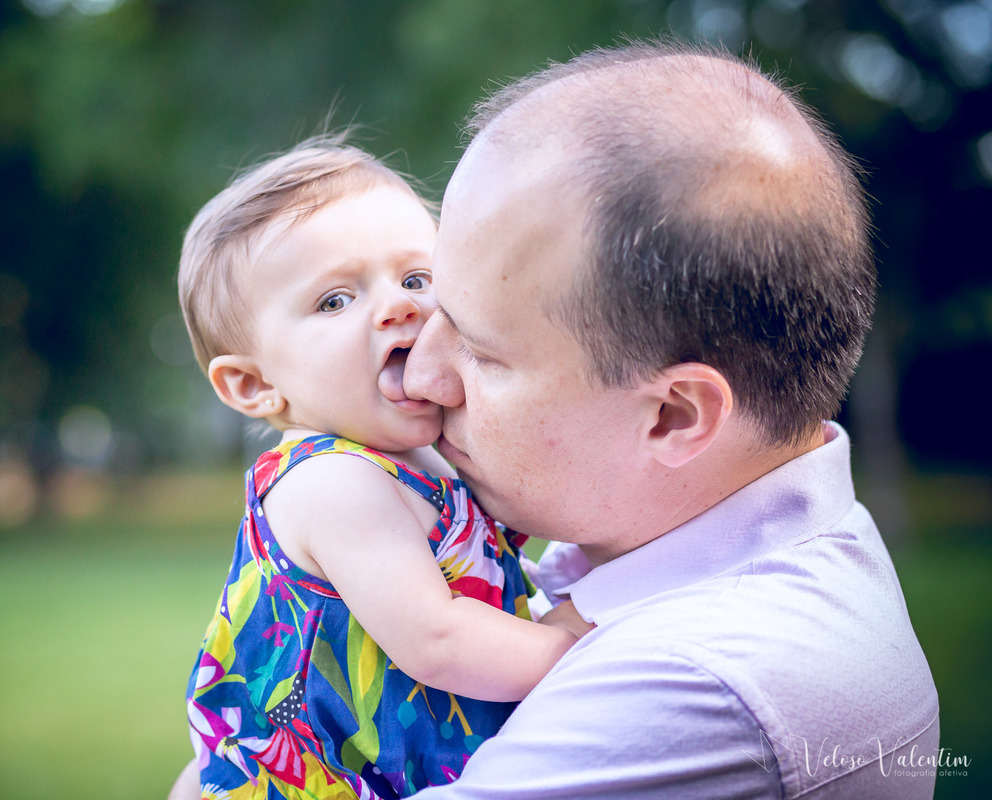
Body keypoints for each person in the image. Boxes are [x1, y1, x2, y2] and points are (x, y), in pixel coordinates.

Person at [398, 41, 941, 798]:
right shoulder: (664, 560)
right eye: (429, 296)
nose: (420, 375)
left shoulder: (696, 684)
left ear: (674, 416)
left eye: (483, 353)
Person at [176, 137, 579, 800]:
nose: (399, 305)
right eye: (335, 301)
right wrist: (576, 645)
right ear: (254, 385)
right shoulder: (331, 483)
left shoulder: (423, 457)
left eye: (416, 278)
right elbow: (438, 639)